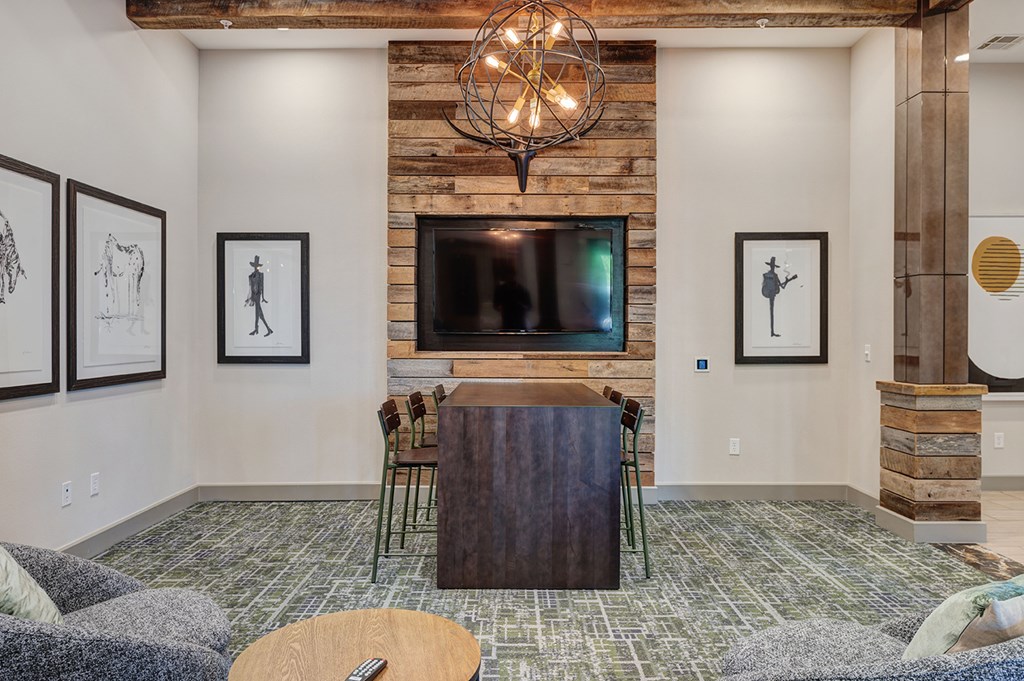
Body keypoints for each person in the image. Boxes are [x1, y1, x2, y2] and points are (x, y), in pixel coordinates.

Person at [761, 256, 797, 338]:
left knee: (772, 311)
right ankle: (772, 332)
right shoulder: (771, 275)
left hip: (771, 294)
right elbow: (781, 287)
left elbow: (779, 286)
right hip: (771, 294)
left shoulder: (766, 275)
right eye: (772, 265)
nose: (773, 267)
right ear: (771, 266)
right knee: (771, 311)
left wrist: (788, 281)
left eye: (773, 266)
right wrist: (788, 281)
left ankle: (772, 332)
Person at [246, 255, 273, 337]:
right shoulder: (251, 276)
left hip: (258, 295)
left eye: (257, 266)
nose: (256, 267)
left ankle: (256, 329)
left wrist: (263, 297)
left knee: (257, 313)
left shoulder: (261, 275)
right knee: (260, 314)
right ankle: (268, 329)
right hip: (254, 296)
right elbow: (250, 287)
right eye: (255, 266)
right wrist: (249, 297)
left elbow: (262, 286)